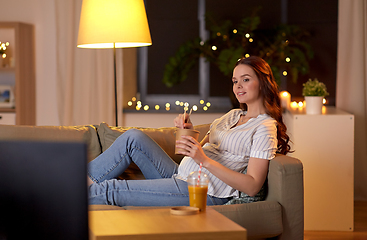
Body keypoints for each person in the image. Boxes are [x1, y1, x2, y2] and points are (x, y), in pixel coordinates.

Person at [87, 56, 290, 207]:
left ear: (263, 82)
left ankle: (66, 195)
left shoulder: (264, 127)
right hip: (181, 175)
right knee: (133, 137)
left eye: (245, 79)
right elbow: (203, 148)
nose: (238, 86)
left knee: (111, 189)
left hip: (205, 191)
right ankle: (80, 179)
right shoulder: (233, 115)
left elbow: (253, 185)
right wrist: (188, 132)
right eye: (235, 81)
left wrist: (203, 160)